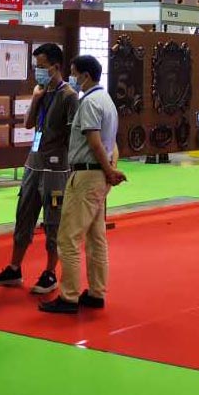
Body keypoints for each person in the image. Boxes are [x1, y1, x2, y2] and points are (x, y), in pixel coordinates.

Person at [0, 43, 77, 294]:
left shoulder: (69, 96)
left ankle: (50, 272)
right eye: (36, 66)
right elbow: (28, 124)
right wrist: (36, 98)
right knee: (24, 214)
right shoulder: (41, 92)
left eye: (42, 66)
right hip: (33, 163)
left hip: (56, 169)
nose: (38, 71)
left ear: (55, 66)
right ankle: (14, 268)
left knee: (53, 220)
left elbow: (72, 136)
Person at [39, 55, 126, 314]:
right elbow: (110, 144)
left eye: (75, 74)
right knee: (96, 237)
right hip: (99, 177)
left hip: (87, 175)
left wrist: (108, 170)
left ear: (86, 76)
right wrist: (109, 170)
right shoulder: (107, 100)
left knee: (68, 237)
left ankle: (69, 296)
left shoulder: (88, 103)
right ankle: (97, 292)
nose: (73, 79)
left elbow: (94, 142)